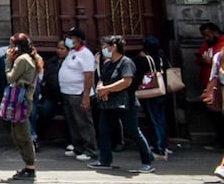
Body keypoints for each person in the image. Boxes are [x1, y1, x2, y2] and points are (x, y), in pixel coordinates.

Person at [90, 35, 155, 173]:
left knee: (133, 131)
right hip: (109, 104)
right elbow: (102, 79)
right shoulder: (108, 63)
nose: (103, 50)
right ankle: (105, 160)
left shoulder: (126, 63)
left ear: (114, 47)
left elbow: (126, 82)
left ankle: (147, 160)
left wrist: (107, 89)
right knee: (104, 131)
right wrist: (101, 89)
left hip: (126, 104)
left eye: (105, 47)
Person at [59, 25, 98, 161]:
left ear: (79, 39)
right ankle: (78, 147)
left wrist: (86, 96)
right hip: (68, 93)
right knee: (73, 122)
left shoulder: (85, 54)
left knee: (83, 122)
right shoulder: (72, 52)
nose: (68, 40)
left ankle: (90, 150)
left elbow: (88, 76)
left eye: (71, 37)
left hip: (79, 93)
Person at [4, 33, 39, 182]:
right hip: (22, 99)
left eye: (11, 44)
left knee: (22, 134)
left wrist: (8, 61)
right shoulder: (26, 59)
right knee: (16, 132)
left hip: (21, 100)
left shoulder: (22, 60)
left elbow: (10, 77)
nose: (10, 47)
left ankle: (30, 167)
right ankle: (28, 165)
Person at [136, 36, 170, 159]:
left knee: (155, 120)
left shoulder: (145, 59)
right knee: (161, 118)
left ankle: (159, 149)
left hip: (152, 93)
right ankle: (163, 145)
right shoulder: (162, 57)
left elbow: (138, 72)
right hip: (162, 91)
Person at [34, 39, 68, 148]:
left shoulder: (70, 62)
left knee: (70, 116)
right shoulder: (51, 62)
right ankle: (40, 136)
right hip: (52, 96)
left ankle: (71, 140)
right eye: (58, 48)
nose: (59, 51)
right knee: (44, 111)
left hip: (66, 96)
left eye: (62, 49)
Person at [196, 22, 224, 149]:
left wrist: (211, 60)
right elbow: (199, 57)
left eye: (208, 35)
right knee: (215, 114)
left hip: (220, 86)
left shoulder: (222, 45)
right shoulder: (207, 45)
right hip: (210, 86)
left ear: (215, 32)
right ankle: (220, 140)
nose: (206, 39)